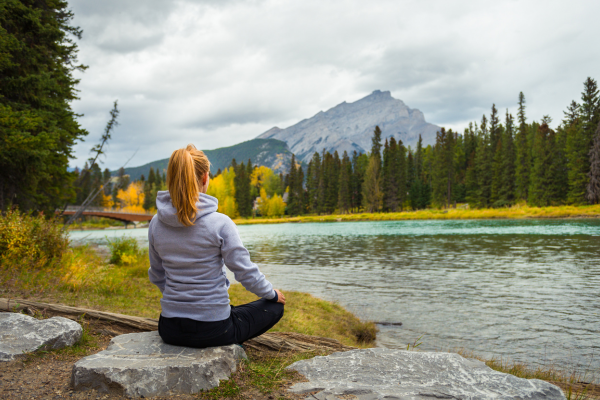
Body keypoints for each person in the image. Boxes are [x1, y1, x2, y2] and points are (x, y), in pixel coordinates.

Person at [148, 144, 285, 348]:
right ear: (205, 178)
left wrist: (180, 302)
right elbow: (244, 272)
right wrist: (272, 294)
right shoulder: (220, 223)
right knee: (274, 308)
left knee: (232, 310)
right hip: (213, 330)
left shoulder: (155, 223)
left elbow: (157, 275)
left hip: (170, 329)